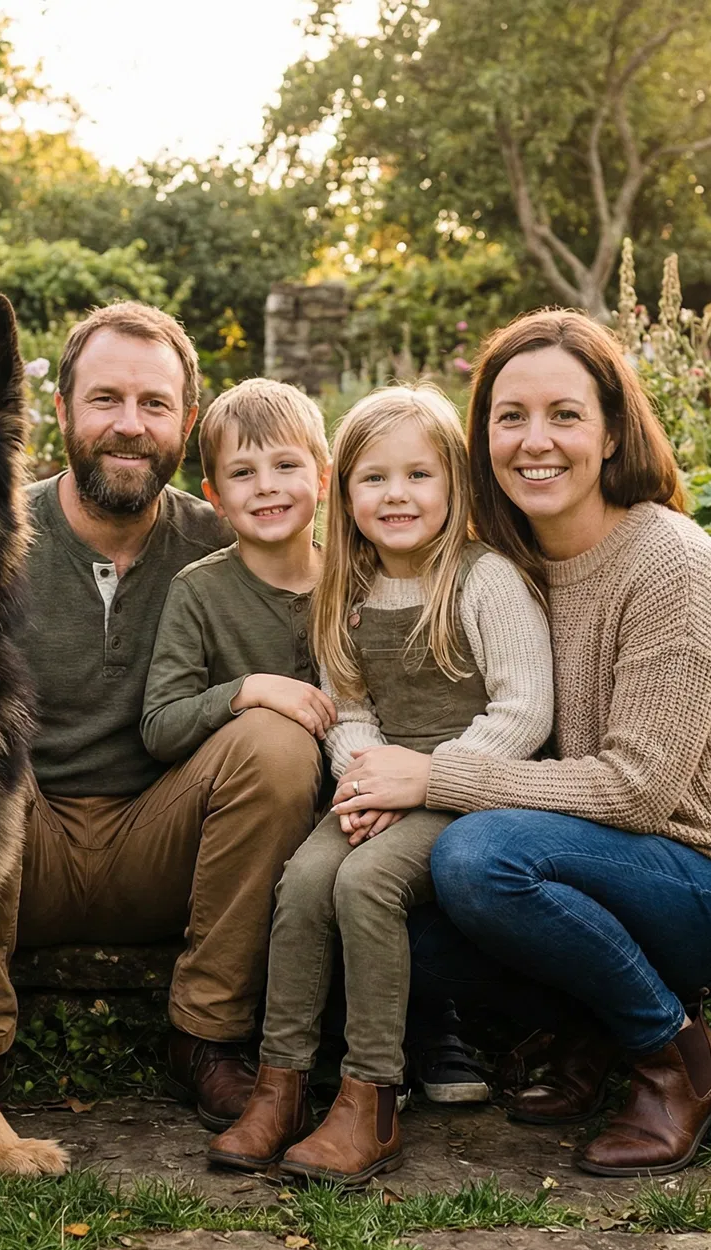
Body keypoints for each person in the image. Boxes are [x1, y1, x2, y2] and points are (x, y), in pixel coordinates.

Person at [330, 311, 711, 1178]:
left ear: (613, 430)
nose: (534, 442)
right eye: (510, 417)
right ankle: (592, 1031)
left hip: (708, 883)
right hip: (586, 862)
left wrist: (432, 775)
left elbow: (637, 792)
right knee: (399, 922)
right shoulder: (501, 562)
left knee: (475, 855)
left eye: (565, 415)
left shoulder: (670, 565)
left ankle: (679, 1062)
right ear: (483, 438)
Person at [0, 302, 324, 1132]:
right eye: (105, 400)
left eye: (154, 404)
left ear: (189, 424)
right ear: (61, 412)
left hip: (169, 844)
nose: (129, 427)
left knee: (277, 746)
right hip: (20, 850)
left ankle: (205, 1038)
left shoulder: (231, 544)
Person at [207, 385, 553, 1184]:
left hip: (470, 787)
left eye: (418, 476)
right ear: (346, 491)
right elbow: (349, 708)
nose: (395, 496)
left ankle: (373, 1096)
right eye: (374, 479)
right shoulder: (348, 589)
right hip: (380, 789)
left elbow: (526, 708)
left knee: (363, 884)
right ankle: (281, 1085)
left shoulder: (483, 579)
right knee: (304, 880)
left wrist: (428, 779)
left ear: (454, 486)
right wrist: (363, 780)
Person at [141, 378, 335, 767]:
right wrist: (248, 691)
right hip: (249, 789)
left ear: (322, 480)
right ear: (216, 498)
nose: (266, 486)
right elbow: (160, 728)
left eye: (285, 465)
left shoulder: (355, 580)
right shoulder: (198, 592)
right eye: (243, 472)